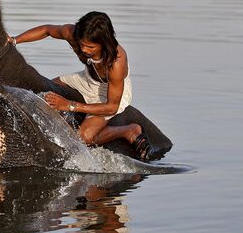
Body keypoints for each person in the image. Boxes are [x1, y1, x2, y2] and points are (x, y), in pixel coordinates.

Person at [8, 11, 153, 160]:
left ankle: (128, 131)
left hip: (108, 92)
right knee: (45, 88)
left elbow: (112, 107)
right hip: (87, 78)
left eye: (90, 47)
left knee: (84, 137)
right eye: (82, 44)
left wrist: (69, 105)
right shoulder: (73, 34)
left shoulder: (116, 62)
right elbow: (47, 30)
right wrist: (14, 40)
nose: (84, 50)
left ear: (104, 42)